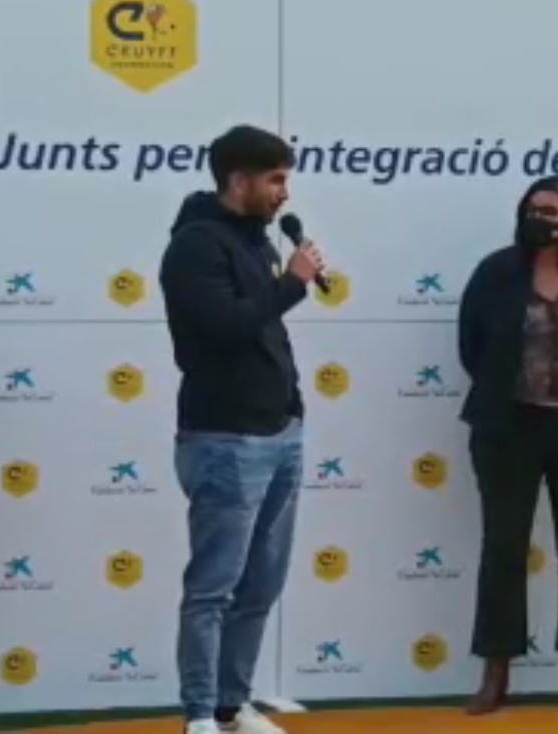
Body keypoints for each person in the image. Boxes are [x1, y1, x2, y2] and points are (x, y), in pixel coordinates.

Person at [158, 125, 323, 734]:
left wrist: (293, 408)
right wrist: (292, 285)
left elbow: (266, 332)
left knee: (261, 583)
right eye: (275, 179)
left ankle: (232, 705)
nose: (285, 192)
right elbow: (224, 328)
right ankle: (200, 713)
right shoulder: (195, 246)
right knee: (214, 587)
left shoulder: (258, 241)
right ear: (238, 180)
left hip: (280, 433)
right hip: (224, 438)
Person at [456, 176, 558, 716]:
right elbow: (471, 347)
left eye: (551, 211)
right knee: (503, 547)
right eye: (533, 209)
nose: (540, 219)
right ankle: (496, 672)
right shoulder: (494, 272)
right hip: (509, 429)